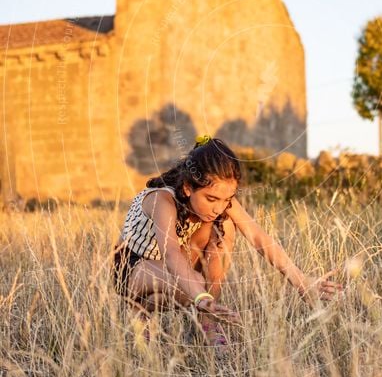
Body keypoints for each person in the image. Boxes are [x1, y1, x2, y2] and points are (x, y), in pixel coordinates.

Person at [113, 135, 343, 347]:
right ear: (187, 187)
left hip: (170, 270)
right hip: (133, 267)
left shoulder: (220, 204)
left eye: (226, 199)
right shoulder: (162, 199)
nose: (218, 207)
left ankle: (205, 320)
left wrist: (302, 282)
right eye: (211, 198)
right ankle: (144, 306)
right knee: (193, 284)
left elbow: (258, 237)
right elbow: (171, 252)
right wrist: (200, 295)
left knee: (225, 226)